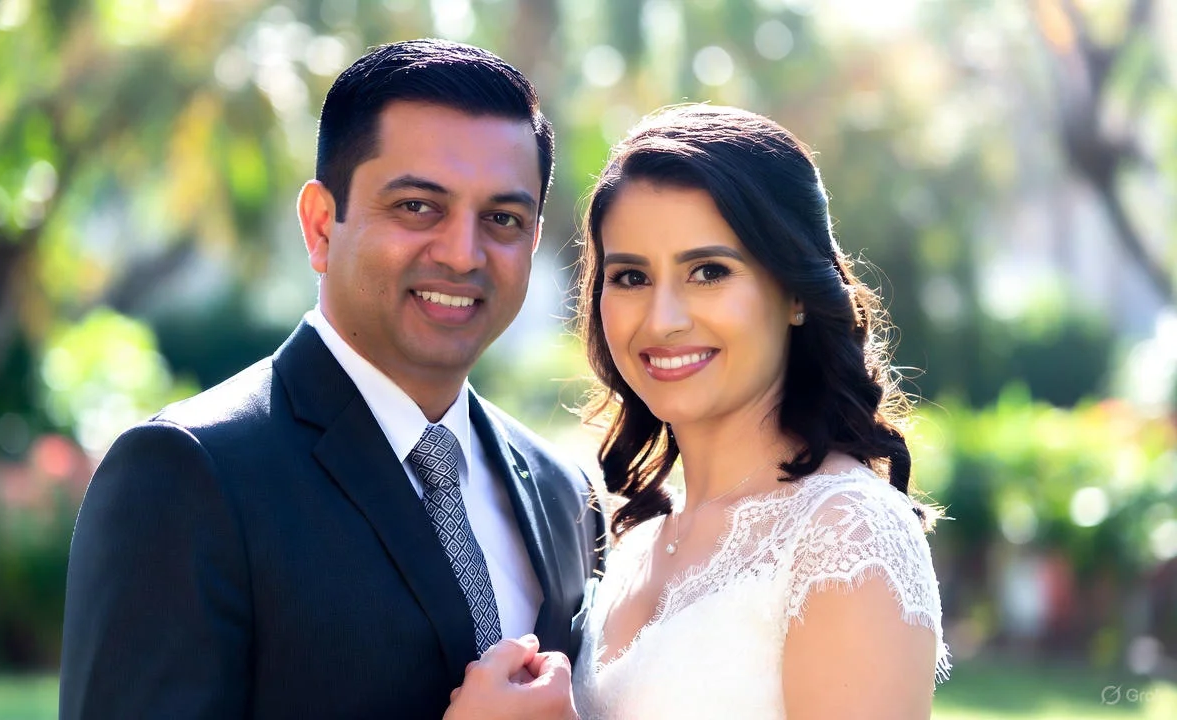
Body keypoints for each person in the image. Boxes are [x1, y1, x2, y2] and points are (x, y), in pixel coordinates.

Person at [59, 39, 604, 720]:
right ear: (321, 225)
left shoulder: (563, 494)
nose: (464, 254)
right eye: (418, 207)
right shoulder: (188, 475)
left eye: (502, 219)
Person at [446, 104, 949, 719]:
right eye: (630, 277)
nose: (663, 320)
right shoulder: (636, 542)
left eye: (708, 272)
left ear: (795, 291)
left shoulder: (845, 535)